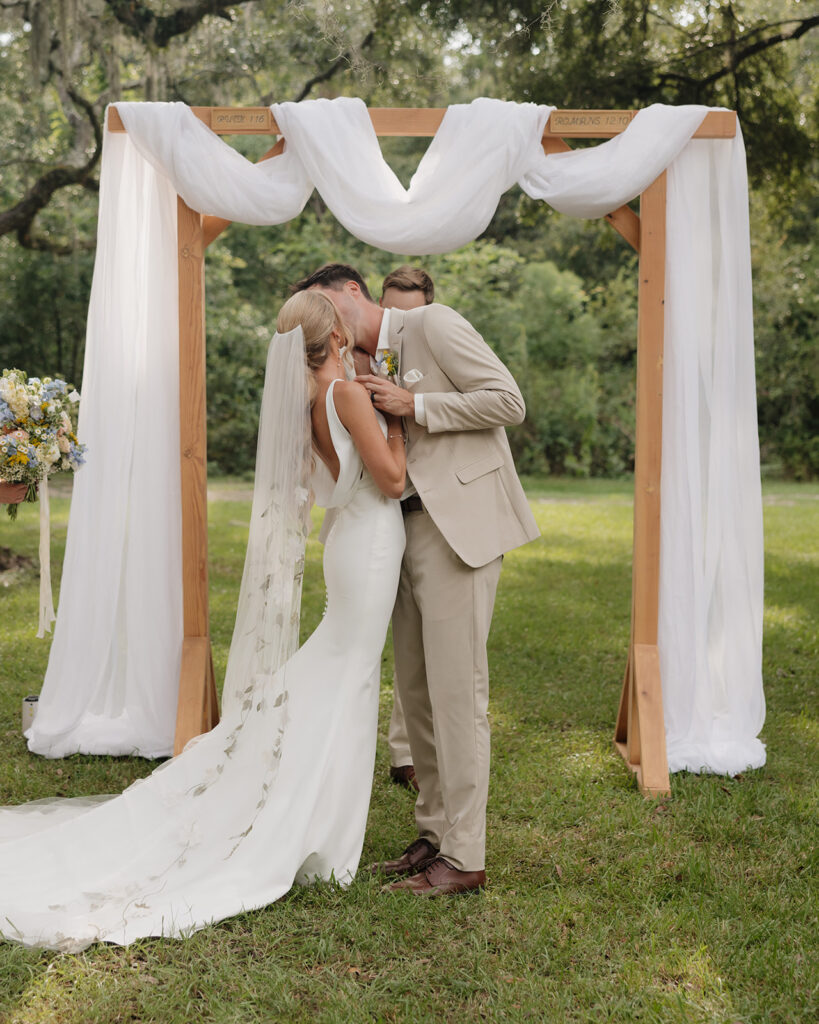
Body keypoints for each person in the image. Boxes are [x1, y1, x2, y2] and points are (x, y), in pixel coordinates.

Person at [0, 290, 407, 950]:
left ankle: (317, 820)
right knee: (349, 674)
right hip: (369, 539)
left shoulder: (310, 398)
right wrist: (397, 417)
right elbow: (390, 479)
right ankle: (316, 835)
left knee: (343, 671)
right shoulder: (352, 395)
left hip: (350, 539)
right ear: (335, 336)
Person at [293, 263, 539, 897]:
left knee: (459, 696)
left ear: (351, 291)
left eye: (325, 304)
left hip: (456, 530)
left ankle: (465, 854)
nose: (325, 323)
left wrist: (414, 404)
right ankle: (433, 832)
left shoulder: (433, 324)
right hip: (396, 537)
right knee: (418, 694)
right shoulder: (350, 367)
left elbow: (507, 401)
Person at [378, 266, 436, 793]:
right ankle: (398, 749)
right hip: (378, 508)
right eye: (394, 310)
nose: (403, 322)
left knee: (420, 637)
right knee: (395, 632)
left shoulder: (442, 348)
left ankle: (407, 751)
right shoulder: (371, 355)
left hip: (429, 510)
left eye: (412, 313)